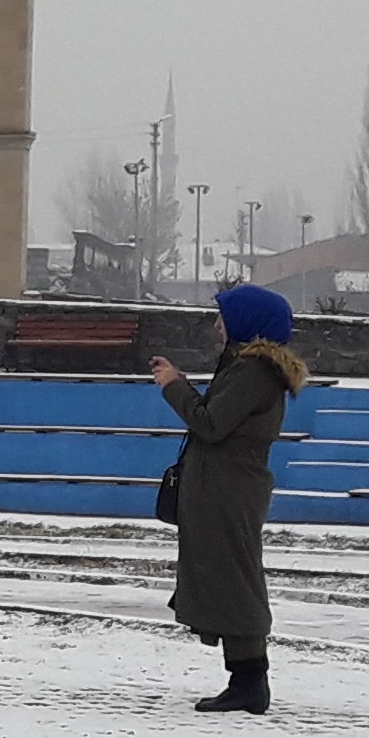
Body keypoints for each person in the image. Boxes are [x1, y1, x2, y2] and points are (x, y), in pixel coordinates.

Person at [150, 284, 308, 714]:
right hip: (223, 488)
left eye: (223, 317)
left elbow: (211, 423)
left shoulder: (253, 372)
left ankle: (250, 683)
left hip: (229, 491)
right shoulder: (247, 369)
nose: (217, 325)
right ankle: (244, 680)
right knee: (228, 580)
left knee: (236, 582)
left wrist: (174, 386)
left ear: (246, 322)